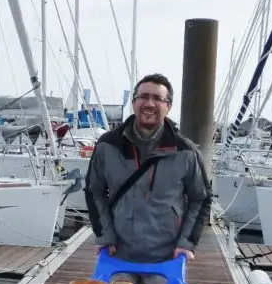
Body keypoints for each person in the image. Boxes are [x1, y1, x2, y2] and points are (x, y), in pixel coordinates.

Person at [84, 73, 212, 265]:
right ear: (134, 102)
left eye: (158, 99)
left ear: (168, 106)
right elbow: (94, 190)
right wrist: (104, 235)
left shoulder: (186, 151)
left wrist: (186, 243)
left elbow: (200, 198)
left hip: (167, 258)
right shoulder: (108, 145)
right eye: (143, 97)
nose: (150, 103)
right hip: (118, 254)